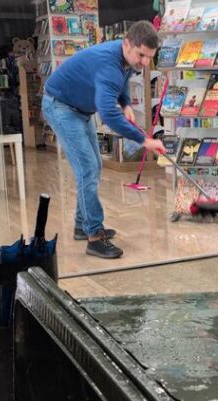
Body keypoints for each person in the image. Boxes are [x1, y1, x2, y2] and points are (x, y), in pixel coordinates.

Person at [42, 21, 166, 259]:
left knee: (94, 166)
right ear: (127, 44)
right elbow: (108, 113)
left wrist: (126, 102)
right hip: (61, 106)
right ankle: (94, 236)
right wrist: (144, 140)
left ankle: (82, 224)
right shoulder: (107, 64)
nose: (144, 62)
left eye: (149, 57)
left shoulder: (125, 57)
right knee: (88, 168)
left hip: (80, 109)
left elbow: (123, 79)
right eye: (141, 55)